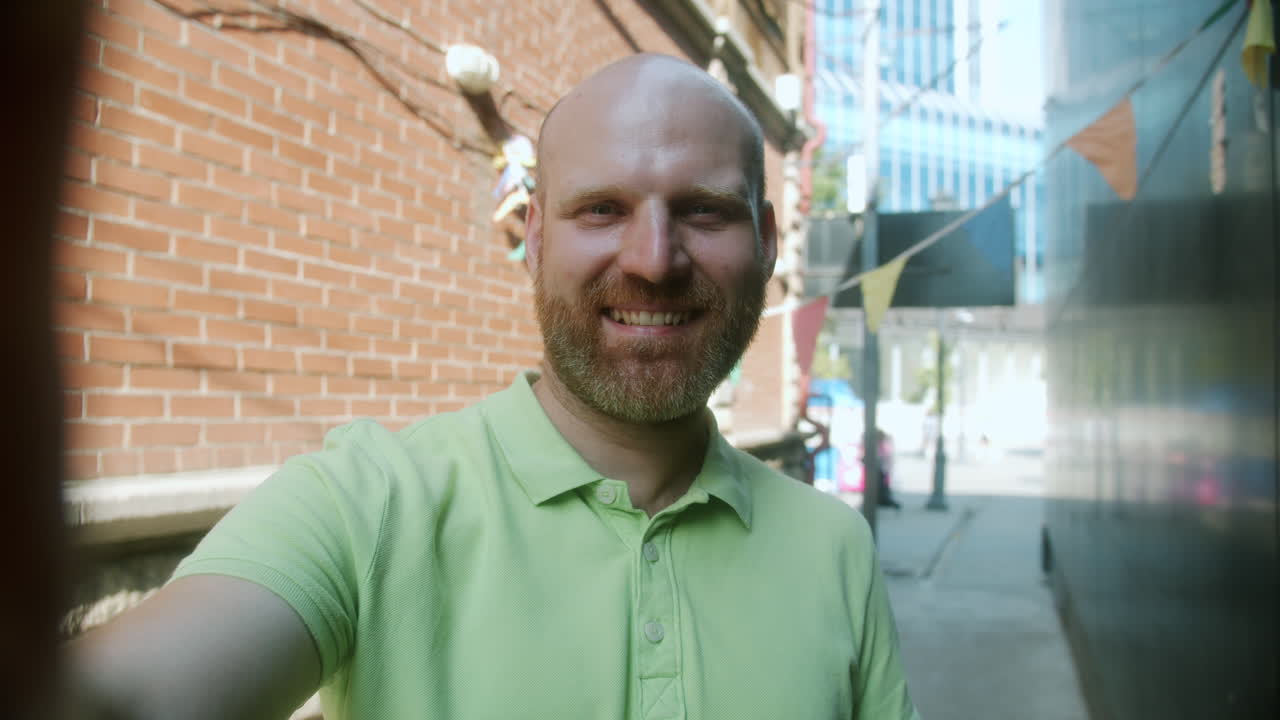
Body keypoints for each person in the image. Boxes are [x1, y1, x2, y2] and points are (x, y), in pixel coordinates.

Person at [69, 54, 920, 720]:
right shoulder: (365, 504)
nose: (654, 259)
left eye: (703, 209)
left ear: (768, 242)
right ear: (536, 236)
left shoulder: (835, 550)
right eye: (602, 210)